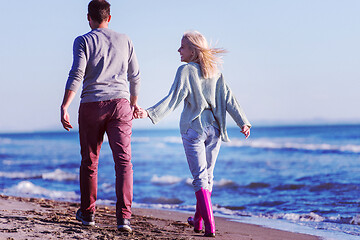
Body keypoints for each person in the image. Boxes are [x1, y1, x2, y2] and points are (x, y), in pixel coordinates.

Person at [135, 31, 251, 237]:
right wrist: (243, 122)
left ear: (193, 50)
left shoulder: (186, 71)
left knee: (199, 178)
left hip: (193, 129)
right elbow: (230, 99)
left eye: (182, 46)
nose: (179, 50)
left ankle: (210, 225)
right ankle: (198, 220)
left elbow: (173, 99)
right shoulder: (215, 73)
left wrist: (149, 113)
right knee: (208, 177)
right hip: (214, 130)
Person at [60, 0, 140, 233]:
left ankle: (88, 214)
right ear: (110, 17)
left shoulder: (83, 40)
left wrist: (65, 104)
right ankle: (124, 219)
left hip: (92, 104)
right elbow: (135, 75)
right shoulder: (125, 39)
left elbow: (77, 73)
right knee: (124, 162)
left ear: (89, 17)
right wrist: (133, 103)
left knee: (90, 161)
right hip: (121, 104)